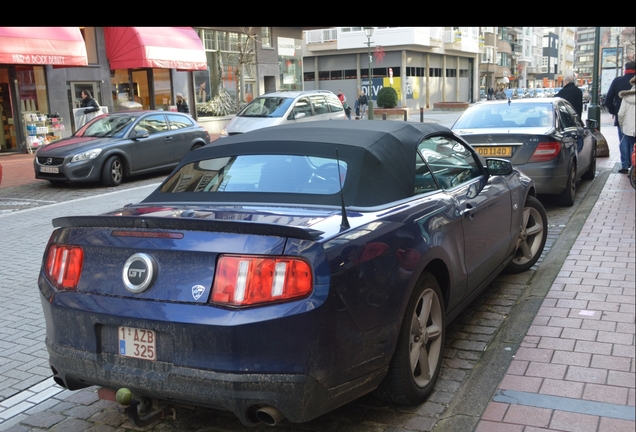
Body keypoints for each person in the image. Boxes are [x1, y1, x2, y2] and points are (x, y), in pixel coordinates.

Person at [605, 60, 635, 173]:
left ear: (625, 69)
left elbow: (608, 100)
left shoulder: (617, 82)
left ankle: (624, 165)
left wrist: (614, 111)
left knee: (623, 141)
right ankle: (634, 166)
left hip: (622, 117)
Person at [617, 76, 635, 174]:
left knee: (633, 148)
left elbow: (620, 114)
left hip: (629, 129)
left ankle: (632, 169)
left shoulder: (626, 97)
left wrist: (622, 125)